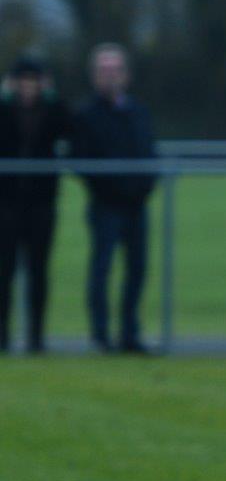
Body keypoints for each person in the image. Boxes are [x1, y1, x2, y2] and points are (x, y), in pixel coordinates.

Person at [72, 43, 157, 354]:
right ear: (94, 76)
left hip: (137, 205)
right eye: (104, 71)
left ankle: (130, 334)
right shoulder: (85, 115)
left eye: (116, 70)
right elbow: (80, 160)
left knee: (137, 269)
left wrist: (146, 185)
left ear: (127, 75)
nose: (110, 77)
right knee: (102, 269)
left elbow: (149, 151)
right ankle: (100, 336)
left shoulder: (138, 111)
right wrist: (111, 188)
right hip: (106, 205)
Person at [0, 56, 71, 354]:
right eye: (23, 81)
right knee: (4, 271)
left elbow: (69, 128)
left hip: (41, 202)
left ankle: (36, 337)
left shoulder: (52, 110)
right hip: (6, 202)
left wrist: (52, 96)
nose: (28, 88)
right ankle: (3, 335)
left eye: (34, 81)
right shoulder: (5, 111)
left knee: (38, 271)